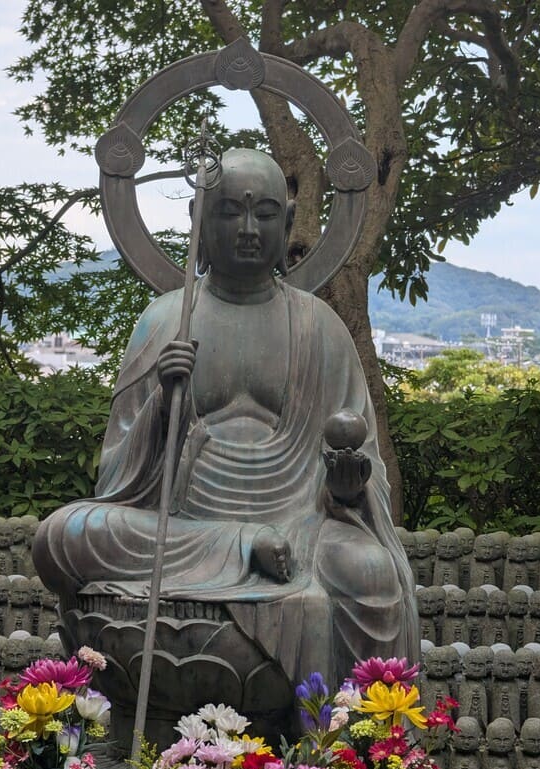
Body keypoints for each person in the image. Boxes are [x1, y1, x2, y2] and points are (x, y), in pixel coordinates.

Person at [33, 148, 417, 687]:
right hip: (185, 526)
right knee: (63, 535)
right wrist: (162, 406)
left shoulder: (322, 328)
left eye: (264, 214)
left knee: (371, 571)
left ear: (287, 223)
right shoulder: (166, 319)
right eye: (230, 211)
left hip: (300, 528)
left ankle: (355, 729)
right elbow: (115, 480)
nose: (248, 229)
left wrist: (347, 487)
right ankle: (241, 546)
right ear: (198, 221)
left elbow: (359, 464)